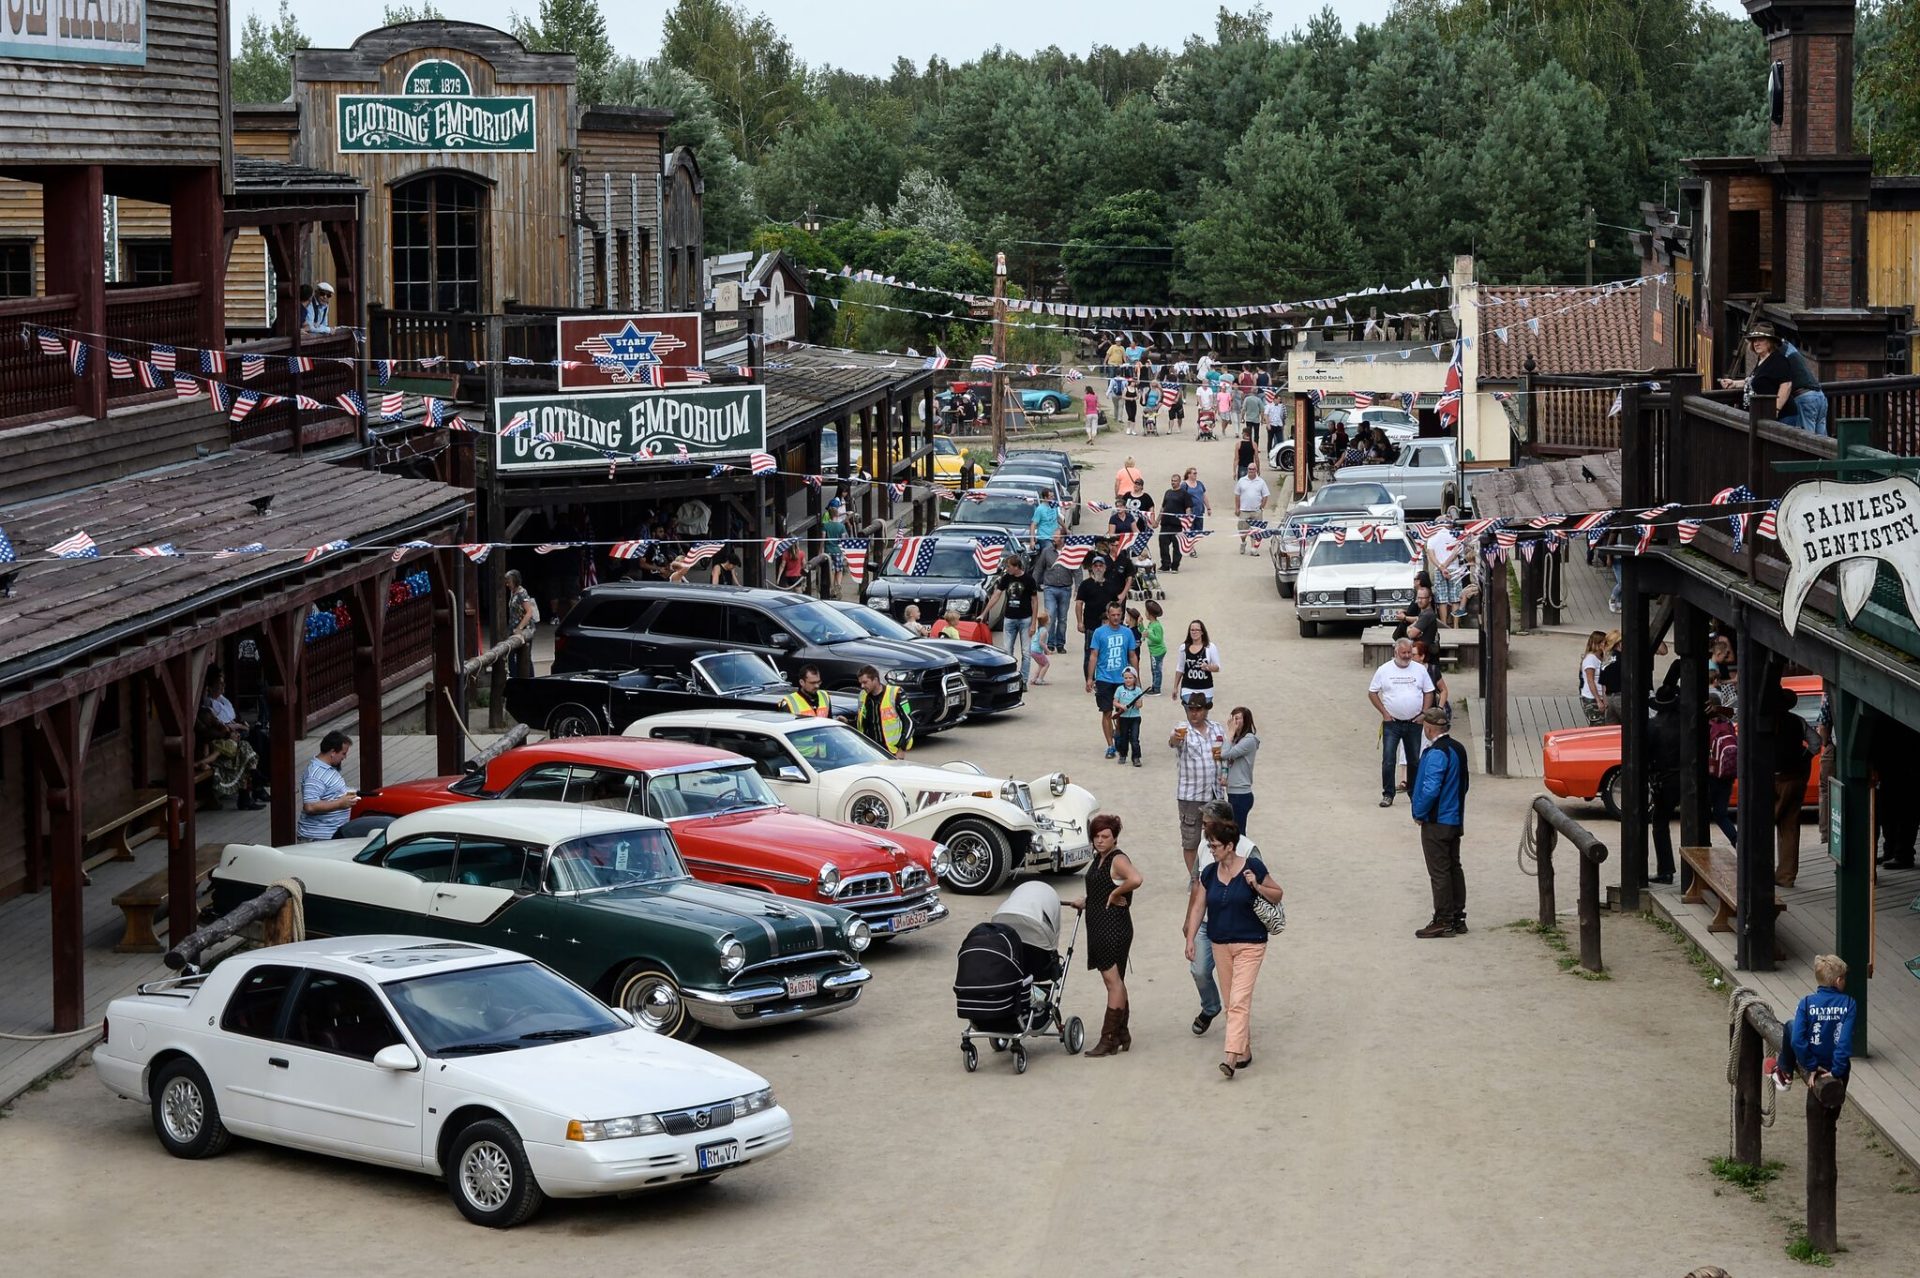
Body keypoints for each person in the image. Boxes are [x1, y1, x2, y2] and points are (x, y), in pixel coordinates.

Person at [1182, 814, 1282, 1078]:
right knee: (1231, 1002)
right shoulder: (1210, 873)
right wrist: (1191, 939)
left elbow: (1277, 893)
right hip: (1220, 943)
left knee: (1239, 1000)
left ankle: (1230, 1056)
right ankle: (1244, 1051)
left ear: (1229, 845)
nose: (1210, 850)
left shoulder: (1253, 867)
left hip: (1251, 943)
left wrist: (1256, 886)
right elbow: (1198, 908)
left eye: (1214, 845)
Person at [1066, 813, 1142, 1058]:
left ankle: (1108, 1038)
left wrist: (1116, 893)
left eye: (1105, 836)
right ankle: (1121, 1033)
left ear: (1114, 837)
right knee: (1116, 980)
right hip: (1101, 926)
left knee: (1112, 982)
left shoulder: (1117, 859)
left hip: (1113, 929)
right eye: (1096, 836)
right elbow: (1102, 888)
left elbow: (1136, 879)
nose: (1100, 840)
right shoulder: (1100, 858)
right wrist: (1087, 901)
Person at [1409, 705, 1470, 937]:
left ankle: (1443, 919)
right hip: (1454, 818)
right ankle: (1457, 916)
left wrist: (1419, 812)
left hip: (1437, 821)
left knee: (1439, 871)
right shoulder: (1458, 748)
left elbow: (1430, 788)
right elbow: (1464, 785)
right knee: (1454, 867)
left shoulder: (1436, 753)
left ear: (1430, 728)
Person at [1369, 637, 1435, 807]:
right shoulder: (1384, 670)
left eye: (1409, 652)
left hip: (1414, 722)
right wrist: (1384, 713)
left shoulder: (1420, 670)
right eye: (1404, 652)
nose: (1407, 656)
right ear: (1396, 652)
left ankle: (1414, 793)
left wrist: (1424, 713)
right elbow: (1372, 692)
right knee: (1389, 759)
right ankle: (1388, 794)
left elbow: (1429, 691)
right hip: (1392, 722)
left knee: (1414, 760)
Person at [1775, 955, 1856, 1085]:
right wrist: (1836, 1071)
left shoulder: (1806, 1003)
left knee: (1791, 1025)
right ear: (1839, 980)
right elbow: (1844, 1041)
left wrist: (1811, 1065)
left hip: (1815, 1060)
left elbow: (1797, 1040)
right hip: (1836, 1065)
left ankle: (1784, 1070)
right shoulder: (1849, 1004)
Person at [1170, 696, 1227, 880]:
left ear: (1206, 710)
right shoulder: (1182, 729)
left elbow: (1226, 752)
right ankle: (1196, 879)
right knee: (1191, 840)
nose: (1194, 713)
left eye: (1198, 709)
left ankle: (1216, 877)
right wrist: (1176, 738)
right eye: (1191, 709)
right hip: (1190, 795)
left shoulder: (1217, 728)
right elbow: (1173, 742)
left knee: (1219, 839)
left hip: (1215, 792)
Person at [1086, 600, 1140, 759]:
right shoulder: (1099, 632)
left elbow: (1132, 655)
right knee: (1106, 712)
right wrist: (1090, 678)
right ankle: (1110, 745)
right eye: (1113, 615)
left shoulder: (1127, 633)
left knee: (1123, 713)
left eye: (1118, 615)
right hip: (1104, 678)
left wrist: (1136, 677)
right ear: (1108, 615)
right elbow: (1093, 655)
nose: (1116, 618)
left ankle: (1117, 735)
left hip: (1122, 679)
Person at [1717, 322, 1800, 425]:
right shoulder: (1761, 359)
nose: (1756, 343)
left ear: (1770, 342)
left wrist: (1776, 409)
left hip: (1782, 416)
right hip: (1762, 414)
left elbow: (1786, 385)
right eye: (1754, 340)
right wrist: (1734, 383)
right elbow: (1755, 380)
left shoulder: (1778, 360)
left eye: (1761, 340)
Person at [1772, 689, 1814, 887]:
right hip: (1796, 777)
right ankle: (1786, 876)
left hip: (1773, 778)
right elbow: (1816, 743)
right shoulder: (1798, 721)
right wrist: (1803, 757)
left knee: (1762, 824)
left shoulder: (1767, 721)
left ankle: (1760, 871)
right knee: (1790, 827)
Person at [1647, 686, 1683, 884]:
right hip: (1687, 777)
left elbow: (1647, 755)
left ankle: (1666, 869)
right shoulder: (1684, 723)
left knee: (1660, 823)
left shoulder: (1653, 725)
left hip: (1665, 779)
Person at [985, 556, 1038, 685]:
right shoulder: (1006, 578)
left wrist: (1033, 623)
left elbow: (1035, 601)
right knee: (1007, 651)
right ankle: (1009, 678)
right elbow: (996, 595)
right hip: (1009, 618)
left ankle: (1023, 681)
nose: (1006, 569)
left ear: (1016, 566)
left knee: (1026, 652)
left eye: (1008, 566)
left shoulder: (1029, 580)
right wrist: (984, 612)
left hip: (1025, 618)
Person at [297, 731, 356, 841]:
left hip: (329, 835)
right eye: (343, 753)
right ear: (333, 752)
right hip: (318, 838)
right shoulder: (315, 775)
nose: (345, 757)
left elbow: (331, 791)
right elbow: (310, 806)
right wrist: (340, 803)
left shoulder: (329, 768)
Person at [850, 664, 913, 757]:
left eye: (865, 682)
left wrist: (901, 748)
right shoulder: (862, 696)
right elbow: (863, 722)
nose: (862, 686)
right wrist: (848, 722)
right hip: (871, 750)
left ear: (875, 679)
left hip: (892, 751)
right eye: (861, 683)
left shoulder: (896, 693)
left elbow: (909, 722)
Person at [1220, 706, 1260, 832]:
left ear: (1246, 721)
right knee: (1234, 832)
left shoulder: (1249, 740)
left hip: (1241, 794)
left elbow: (1225, 754)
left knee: (1238, 834)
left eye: (1237, 718)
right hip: (1233, 792)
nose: (1233, 722)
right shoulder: (1235, 741)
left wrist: (1230, 734)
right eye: (1232, 718)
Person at [1074, 556, 1117, 671]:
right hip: (1091, 625)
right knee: (1090, 653)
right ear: (1092, 568)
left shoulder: (1111, 584)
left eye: (1101, 565)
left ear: (1105, 567)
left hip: (1107, 626)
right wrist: (1079, 622)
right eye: (1096, 566)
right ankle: (1090, 679)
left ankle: (1103, 678)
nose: (1098, 568)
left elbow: (1115, 605)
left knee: (1106, 653)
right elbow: (1079, 603)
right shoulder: (1085, 584)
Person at [1707, 701, 1740, 846]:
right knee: (1721, 814)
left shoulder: (1708, 725)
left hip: (1711, 775)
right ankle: (1736, 840)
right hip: (1727, 775)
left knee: (1702, 813)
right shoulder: (1729, 725)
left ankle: (1703, 846)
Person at [1039, 529, 1075, 654]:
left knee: (1063, 618)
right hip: (1050, 588)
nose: (1054, 539)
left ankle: (1060, 644)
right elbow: (1039, 568)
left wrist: (1078, 587)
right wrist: (1033, 585)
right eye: (1053, 537)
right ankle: (1050, 643)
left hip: (1065, 588)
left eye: (1056, 537)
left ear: (1063, 538)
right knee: (1051, 616)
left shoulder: (1070, 551)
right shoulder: (1046, 551)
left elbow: (1077, 569)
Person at [1170, 619, 1221, 705]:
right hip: (1188, 687)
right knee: (1192, 709)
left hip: (1206, 689)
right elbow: (1180, 668)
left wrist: (1207, 667)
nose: (1194, 632)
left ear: (1202, 632)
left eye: (1197, 630)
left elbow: (1217, 667)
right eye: (1192, 630)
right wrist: (1175, 687)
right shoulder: (1183, 648)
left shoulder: (1210, 647)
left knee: (1201, 714)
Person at [1424, 516, 1463, 625]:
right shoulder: (1454, 536)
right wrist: (1446, 566)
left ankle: (1444, 624)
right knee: (1456, 598)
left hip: (1438, 569)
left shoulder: (1432, 538)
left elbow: (1431, 555)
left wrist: (1442, 568)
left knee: (1442, 600)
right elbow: (1456, 553)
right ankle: (1456, 626)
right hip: (1454, 569)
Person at [504, 569, 540, 678]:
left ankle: (529, 679)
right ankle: (515, 678)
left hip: (524, 629)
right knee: (511, 655)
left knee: (525, 657)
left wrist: (520, 628)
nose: (507, 584)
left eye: (509, 582)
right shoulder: (512, 592)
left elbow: (529, 612)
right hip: (513, 629)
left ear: (515, 581)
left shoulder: (522, 593)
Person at [1232, 462, 1271, 555]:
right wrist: (1237, 508)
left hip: (1256, 511)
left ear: (1256, 470)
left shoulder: (1261, 482)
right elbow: (1237, 495)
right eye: (1249, 469)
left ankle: (1254, 549)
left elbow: (1265, 495)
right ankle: (1243, 542)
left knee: (1256, 531)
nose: (1251, 471)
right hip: (1244, 510)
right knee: (1242, 530)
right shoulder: (1242, 481)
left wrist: (1262, 507)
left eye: (1253, 469)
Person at [1111, 667, 1147, 766]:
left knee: (1135, 738)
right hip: (1123, 717)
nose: (1128, 680)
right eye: (1126, 678)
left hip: (1135, 717)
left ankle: (1136, 757)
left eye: (1130, 678)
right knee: (1124, 737)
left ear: (1135, 678)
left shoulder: (1138, 690)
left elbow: (1140, 705)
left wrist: (1136, 702)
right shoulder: (1120, 689)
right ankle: (1123, 755)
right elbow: (1115, 702)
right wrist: (1121, 706)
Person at [1159, 471, 1192, 572]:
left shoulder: (1184, 494)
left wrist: (1187, 521)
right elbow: (1162, 508)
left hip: (1177, 525)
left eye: (1175, 481)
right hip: (1165, 524)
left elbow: (1188, 508)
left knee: (1177, 547)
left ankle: (1175, 566)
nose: (1173, 483)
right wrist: (1157, 520)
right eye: (1172, 481)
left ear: (1179, 482)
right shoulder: (1168, 492)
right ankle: (1165, 565)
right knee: (1163, 545)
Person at [1394, 583, 1440, 649]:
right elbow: (1417, 619)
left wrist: (1409, 627)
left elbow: (1411, 634)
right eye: (1418, 598)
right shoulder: (1426, 613)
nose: (1419, 601)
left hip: (1424, 653)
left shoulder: (1426, 615)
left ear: (1430, 599)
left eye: (1422, 598)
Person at [1579, 629, 1609, 725]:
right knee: (1598, 723)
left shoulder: (1601, 658)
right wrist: (1598, 700)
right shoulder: (1590, 659)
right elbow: (1590, 680)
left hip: (1601, 695)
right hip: (1592, 697)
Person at [821, 500, 848, 596]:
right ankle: (838, 585)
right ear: (837, 515)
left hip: (828, 551)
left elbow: (823, 539)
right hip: (837, 551)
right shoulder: (841, 527)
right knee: (839, 570)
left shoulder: (825, 526)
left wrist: (821, 551)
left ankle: (832, 587)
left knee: (831, 570)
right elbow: (844, 540)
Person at [1142, 599, 1168, 694]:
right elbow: (1144, 632)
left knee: (1156, 670)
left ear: (1149, 613)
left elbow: (1158, 639)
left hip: (1158, 651)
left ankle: (1157, 688)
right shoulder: (1151, 624)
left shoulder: (1157, 626)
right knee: (1153, 669)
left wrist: (1148, 635)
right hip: (1153, 651)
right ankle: (1154, 685)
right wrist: (1141, 625)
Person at [1183, 468, 1210, 552]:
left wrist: (1208, 508)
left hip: (1199, 511)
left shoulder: (1199, 484)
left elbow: (1204, 496)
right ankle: (1191, 548)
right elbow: (1181, 497)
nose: (1195, 475)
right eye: (1194, 473)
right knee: (1190, 530)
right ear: (1189, 474)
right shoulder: (1184, 485)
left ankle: (1190, 544)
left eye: (1196, 473)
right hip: (1190, 512)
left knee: (1198, 531)